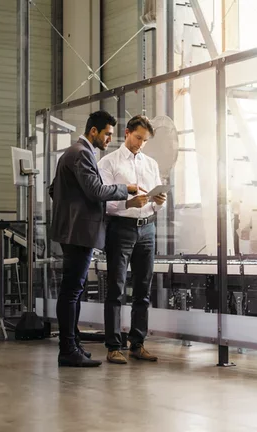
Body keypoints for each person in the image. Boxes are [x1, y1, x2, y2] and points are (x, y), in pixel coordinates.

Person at [49, 110, 143, 368]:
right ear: (94, 131)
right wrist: (127, 189)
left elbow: (53, 189)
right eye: (108, 134)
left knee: (74, 292)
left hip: (74, 231)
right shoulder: (81, 153)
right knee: (71, 292)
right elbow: (95, 190)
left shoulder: (73, 153)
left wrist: (71, 206)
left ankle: (73, 344)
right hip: (78, 233)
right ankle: (68, 349)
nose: (109, 139)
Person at [98, 115, 167, 364]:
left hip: (147, 228)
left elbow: (158, 197)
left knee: (143, 290)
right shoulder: (109, 162)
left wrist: (159, 202)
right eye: (138, 137)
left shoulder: (151, 164)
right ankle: (113, 346)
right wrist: (127, 202)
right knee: (116, 288)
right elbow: (102, 200)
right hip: (121, 228)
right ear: (126, 133)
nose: (140, 144)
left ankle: (138, 343)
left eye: (145, 140)